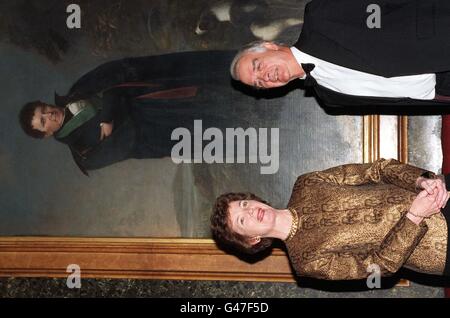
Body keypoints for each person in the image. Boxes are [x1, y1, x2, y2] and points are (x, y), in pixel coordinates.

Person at [211, 158, 450, 280]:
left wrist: (421, 181)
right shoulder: (307, 262)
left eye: (244, 204)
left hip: (441, 191)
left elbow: (377, 170)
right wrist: (414, 216)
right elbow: (378, 267)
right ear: (252, 239)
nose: (250, 211)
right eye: (242, 221)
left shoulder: (306, 183)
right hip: (441, 247)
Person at [19, 51, 236, 175]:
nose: (49, 115)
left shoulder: (77, 90)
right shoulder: (84, 154)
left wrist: (108, 113)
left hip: (158, 89)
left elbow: (116, 75)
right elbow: (126, 142)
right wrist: (113, 106)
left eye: (44, 110)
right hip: (159, 130)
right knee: (220, 127)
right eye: (43, 121)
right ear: (46, 134)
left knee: (214, 81)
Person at [230, 0, 450, 108]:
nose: (265, 77)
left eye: (258, 66)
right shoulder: (329, 98)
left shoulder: (320, 17)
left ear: (269, 46)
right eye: (258, 83)